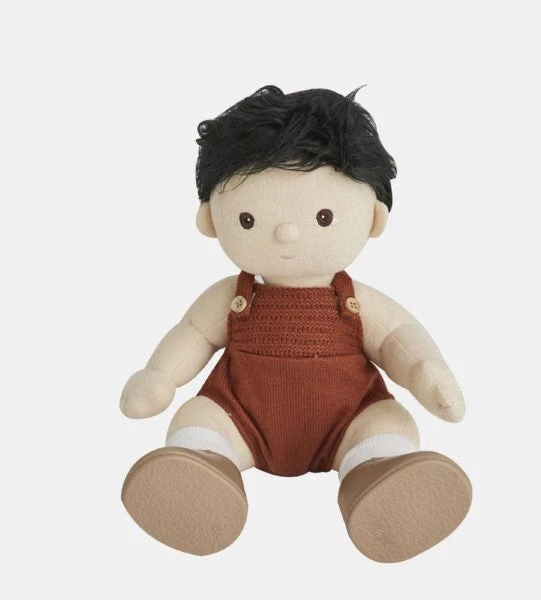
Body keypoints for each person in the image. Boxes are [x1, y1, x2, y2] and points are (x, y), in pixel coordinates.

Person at [120, 86, 471, 562]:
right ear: (210, 220)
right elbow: (194, 334)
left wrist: (428, 373)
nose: (286, 233)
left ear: (373, 217)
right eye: (248, 218)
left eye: (324, 216)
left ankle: (376, 475)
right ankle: (205, 471)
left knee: (385, 426)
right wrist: (160, 378)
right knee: (198, 422)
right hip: (239, 417)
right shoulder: (231, 295)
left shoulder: (356, 300)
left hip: (349, 419)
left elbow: (397, 339)